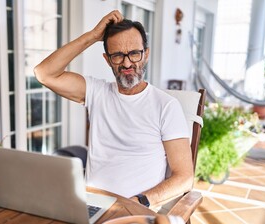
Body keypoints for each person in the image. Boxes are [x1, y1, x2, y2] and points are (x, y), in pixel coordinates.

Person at [34, 10, 193, 208]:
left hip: (135, 210)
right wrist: (92, 36)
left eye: (134, 53)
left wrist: (139, 201)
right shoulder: (96, 92)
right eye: (117, 55)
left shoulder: (166, 106)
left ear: (146, 54)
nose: (127, 63)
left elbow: (185, 177)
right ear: (107, 59)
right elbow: (43, 73)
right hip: (89, 205)